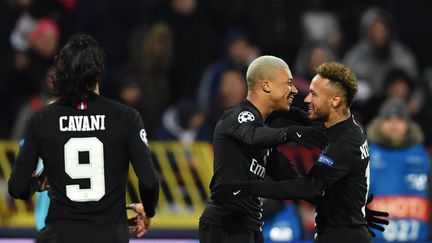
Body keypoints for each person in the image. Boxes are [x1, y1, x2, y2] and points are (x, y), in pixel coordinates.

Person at [8, 33, 159, 243]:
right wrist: (148, 210)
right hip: (109, 237)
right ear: (98, 72)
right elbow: (149, 182)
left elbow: (17, 188)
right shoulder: (126, 117)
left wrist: (36, 185)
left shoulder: (41, 119)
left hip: (59, 236)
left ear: (62, 72)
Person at [213, 62, 389, 243]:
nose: (306, 99)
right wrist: (351, 207)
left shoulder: (344, 141)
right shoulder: (346, 128)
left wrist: (247, 188)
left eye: (313, 94)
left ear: (335, 100)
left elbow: (309, 187)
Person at [199, 55, 330, 243]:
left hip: (250, 227)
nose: (294, 90)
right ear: (266, 86)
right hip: (226, 227)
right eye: (288, 83)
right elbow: (252, 136)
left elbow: (297, 184)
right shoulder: (237, 115)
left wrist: (346, 209)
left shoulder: (264, 136)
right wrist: (292, 133)